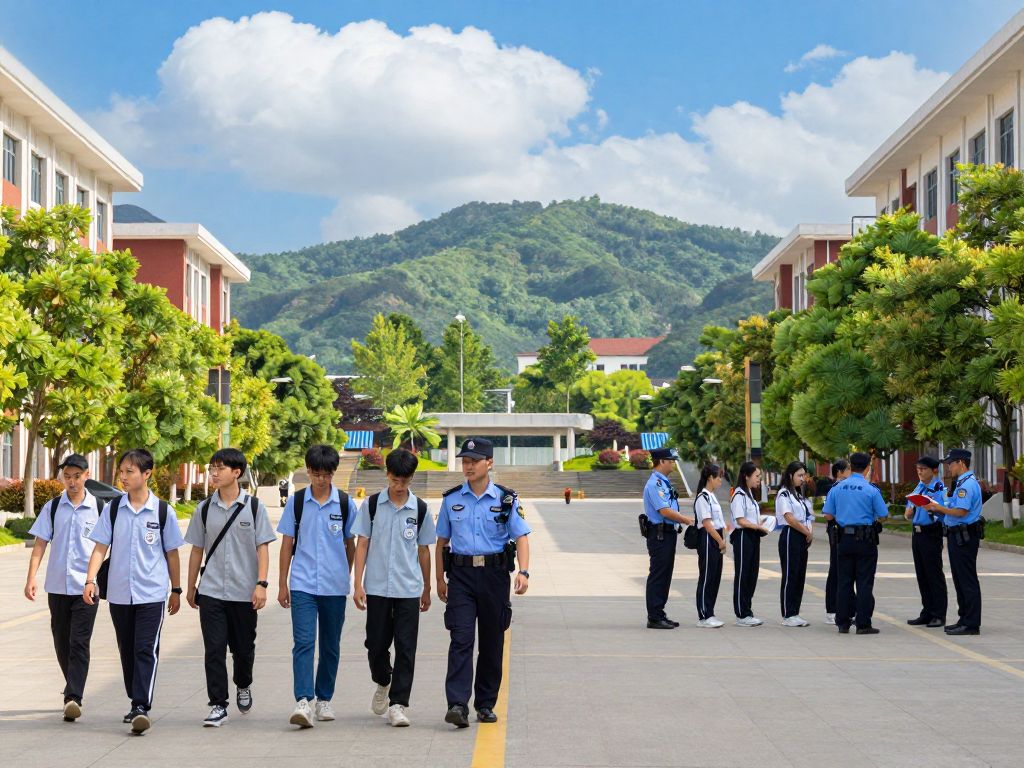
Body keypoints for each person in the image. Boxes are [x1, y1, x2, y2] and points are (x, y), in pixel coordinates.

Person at [83, 448, 184, 734]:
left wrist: (175, 589)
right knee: (127, 649)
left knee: (144, 649)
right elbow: (100, 547)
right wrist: (90, 580)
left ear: (147, 473)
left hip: (152, 593)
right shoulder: (114, 509)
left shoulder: (163, 511)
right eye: (122, 471)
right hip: (118, 593)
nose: (123, 477)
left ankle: (141, 705)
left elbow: (172, 554)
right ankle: (134, 699)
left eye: (130, 471)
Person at [435, 437, 530, 729]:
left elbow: (522, 537)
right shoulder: (452, 500)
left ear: (489, 463)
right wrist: (438, 578)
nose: (468, 466)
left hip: (494, 576)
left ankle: (486, 703)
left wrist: (524, 572)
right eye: (465, 461)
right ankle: (457, 704)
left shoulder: (505, 499)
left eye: (474, 461)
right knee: (461, 639)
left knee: (492, 641)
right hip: (461, 576)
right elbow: (442, 542)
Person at [184, 448, 276, 728]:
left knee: (243, 649)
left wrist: (261, 584)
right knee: (213, 649)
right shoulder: (203, 509)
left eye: (220, 468)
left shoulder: (255, 508)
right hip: (211, 591)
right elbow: (197, 550)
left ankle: (243, 683)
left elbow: (263, 549)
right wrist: (190, 587)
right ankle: (217, 705)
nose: (213, 473)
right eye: (211, 467)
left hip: (244, 592)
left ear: (236, 472)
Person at [352, 448, 437, 727]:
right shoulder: (373, 505)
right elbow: (362, 543)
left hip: (408, 589)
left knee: (406, 647)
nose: (399, 487)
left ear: (411, 478)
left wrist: (427, 588)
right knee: (375, 645)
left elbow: (424, 550)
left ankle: (398, 704)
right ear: (387, 475)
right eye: (395, 480)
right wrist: (357, 583)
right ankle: (382, 679)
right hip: (376, 587)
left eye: (405, 481)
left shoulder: (421, 509)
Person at [277, 444, 358, 727]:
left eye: (326, 474)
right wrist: (281, 583)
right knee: (303, 642)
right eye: (315, 474)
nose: (321, 479)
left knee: (330, 645)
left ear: (334, 473)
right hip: (302, 584)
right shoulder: (297, 502)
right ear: (308, 472)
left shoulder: (346, 503)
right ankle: (303, 699)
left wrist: (347, 575)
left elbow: (352, 544)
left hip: (334, 587)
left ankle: (324, 699)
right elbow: (287, 544)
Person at [24, 454, 101, 722]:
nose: (71, 481)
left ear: (86, 475)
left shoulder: (99, 507)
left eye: (76, 476)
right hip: (57, 586)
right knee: (61, 641)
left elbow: (108, 546)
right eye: (67, 476)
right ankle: (73, 685)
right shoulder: (53, 507)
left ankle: (73, 697)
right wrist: (31, 577)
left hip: (86, 587)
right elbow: (41, 543)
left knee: (79, 641)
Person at [823, 452, 889, 634]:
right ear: (867, 468)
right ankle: (863, 623)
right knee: (864, 582)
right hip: (865, 540)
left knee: (844, 581)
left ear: (851, 467)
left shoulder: (837, 488)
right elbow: (883, 514)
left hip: (843, 540)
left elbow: (828, 514)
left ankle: (842, 623)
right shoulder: (871, 490)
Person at [925, 448, 984, 636]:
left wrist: (938, 507)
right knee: (959, 579)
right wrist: (939, 510)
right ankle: (964, 618)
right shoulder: (962, 483)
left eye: (951, 463)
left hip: (964, 537)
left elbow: (961, 512)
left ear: (961, 463)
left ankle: (971, 623)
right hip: (957, 535)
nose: (948, 467)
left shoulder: (967, 485)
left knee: (966, 580)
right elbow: (954, 508)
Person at [641, 447, 695, 630]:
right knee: (658, 575)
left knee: (665, 575)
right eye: (670, 460)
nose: (673, 463)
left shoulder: (663, 483)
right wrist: (686, 520)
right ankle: (654, 616)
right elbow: (664, 511)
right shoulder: (655, 484)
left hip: (667, 534)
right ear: (661, 461)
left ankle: (659, 613)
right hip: (659, 535)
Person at [904, 456, 947, 628]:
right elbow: (909, 510)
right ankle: (927, 611)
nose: (920, 472)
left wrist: (932, 508)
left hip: (931, 532)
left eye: (923, 469)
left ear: (934, 470)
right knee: (922, 574)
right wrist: (909, 512)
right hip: (917, 533)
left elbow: (945, 511)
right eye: (918, 469)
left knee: (933, 574)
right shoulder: (918, 487)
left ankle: (938, 614)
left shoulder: (939, 488)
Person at [730, 461, 769, 627]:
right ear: (746, 476)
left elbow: (751, 518)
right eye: (756, 476)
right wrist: (757, 526)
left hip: (753, 535)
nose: (759, 479)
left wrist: (763, 523)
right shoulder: (738, 495)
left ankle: (748, 611)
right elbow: (740, 520)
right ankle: (741, 613)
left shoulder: (750, 495)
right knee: (743, 574)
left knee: (752, 574)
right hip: (743, 536)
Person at [776, 460, 814, 627]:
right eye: (799, 475)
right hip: (791, 534)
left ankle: (795, 611)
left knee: (799, 575)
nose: (802, 478)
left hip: (801, 536)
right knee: (790, 574)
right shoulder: (784, 494)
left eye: (804, 475)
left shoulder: (798, 495)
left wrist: (808, 532)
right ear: (790, 475)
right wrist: (806, 532)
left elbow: (807, 516)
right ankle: (787, 614)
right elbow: (789, 518)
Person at [694, 464, 727, 628]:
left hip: (717, 537)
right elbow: (707, 523)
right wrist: (720, 541)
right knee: (707, 576)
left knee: (715, 577)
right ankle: (704, 615)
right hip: (708, 538)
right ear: (710, 478)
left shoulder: (712, 497)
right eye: (718, 477)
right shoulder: (703, 498)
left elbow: (720, 522)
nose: (720, 480)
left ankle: (710, 612)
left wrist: (723, 539)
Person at [822, 459, 852, 625]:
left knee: (847, 571)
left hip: (848, 533)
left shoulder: (849, 488)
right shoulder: (833, 488)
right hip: (837, 531)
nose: (851, 472)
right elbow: (828, 514)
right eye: (848, 470)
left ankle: (847, 608)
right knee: (836, 569)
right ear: (839, 472)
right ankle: (832, 609)